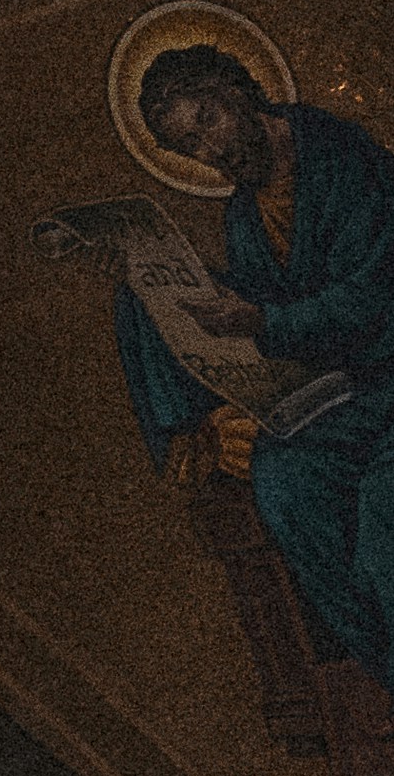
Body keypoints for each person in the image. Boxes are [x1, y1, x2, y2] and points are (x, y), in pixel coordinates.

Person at [89, 44, 394, 686]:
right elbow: (272, 301)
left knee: (378, 534)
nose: (211, 151)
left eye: (208, 119)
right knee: (284, 484)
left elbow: (370, 298)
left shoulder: (343, 159)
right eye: (190, 147)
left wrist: (262, 323)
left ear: (239, 90)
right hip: (347, 398)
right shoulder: (245, 209)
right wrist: (153, 278)